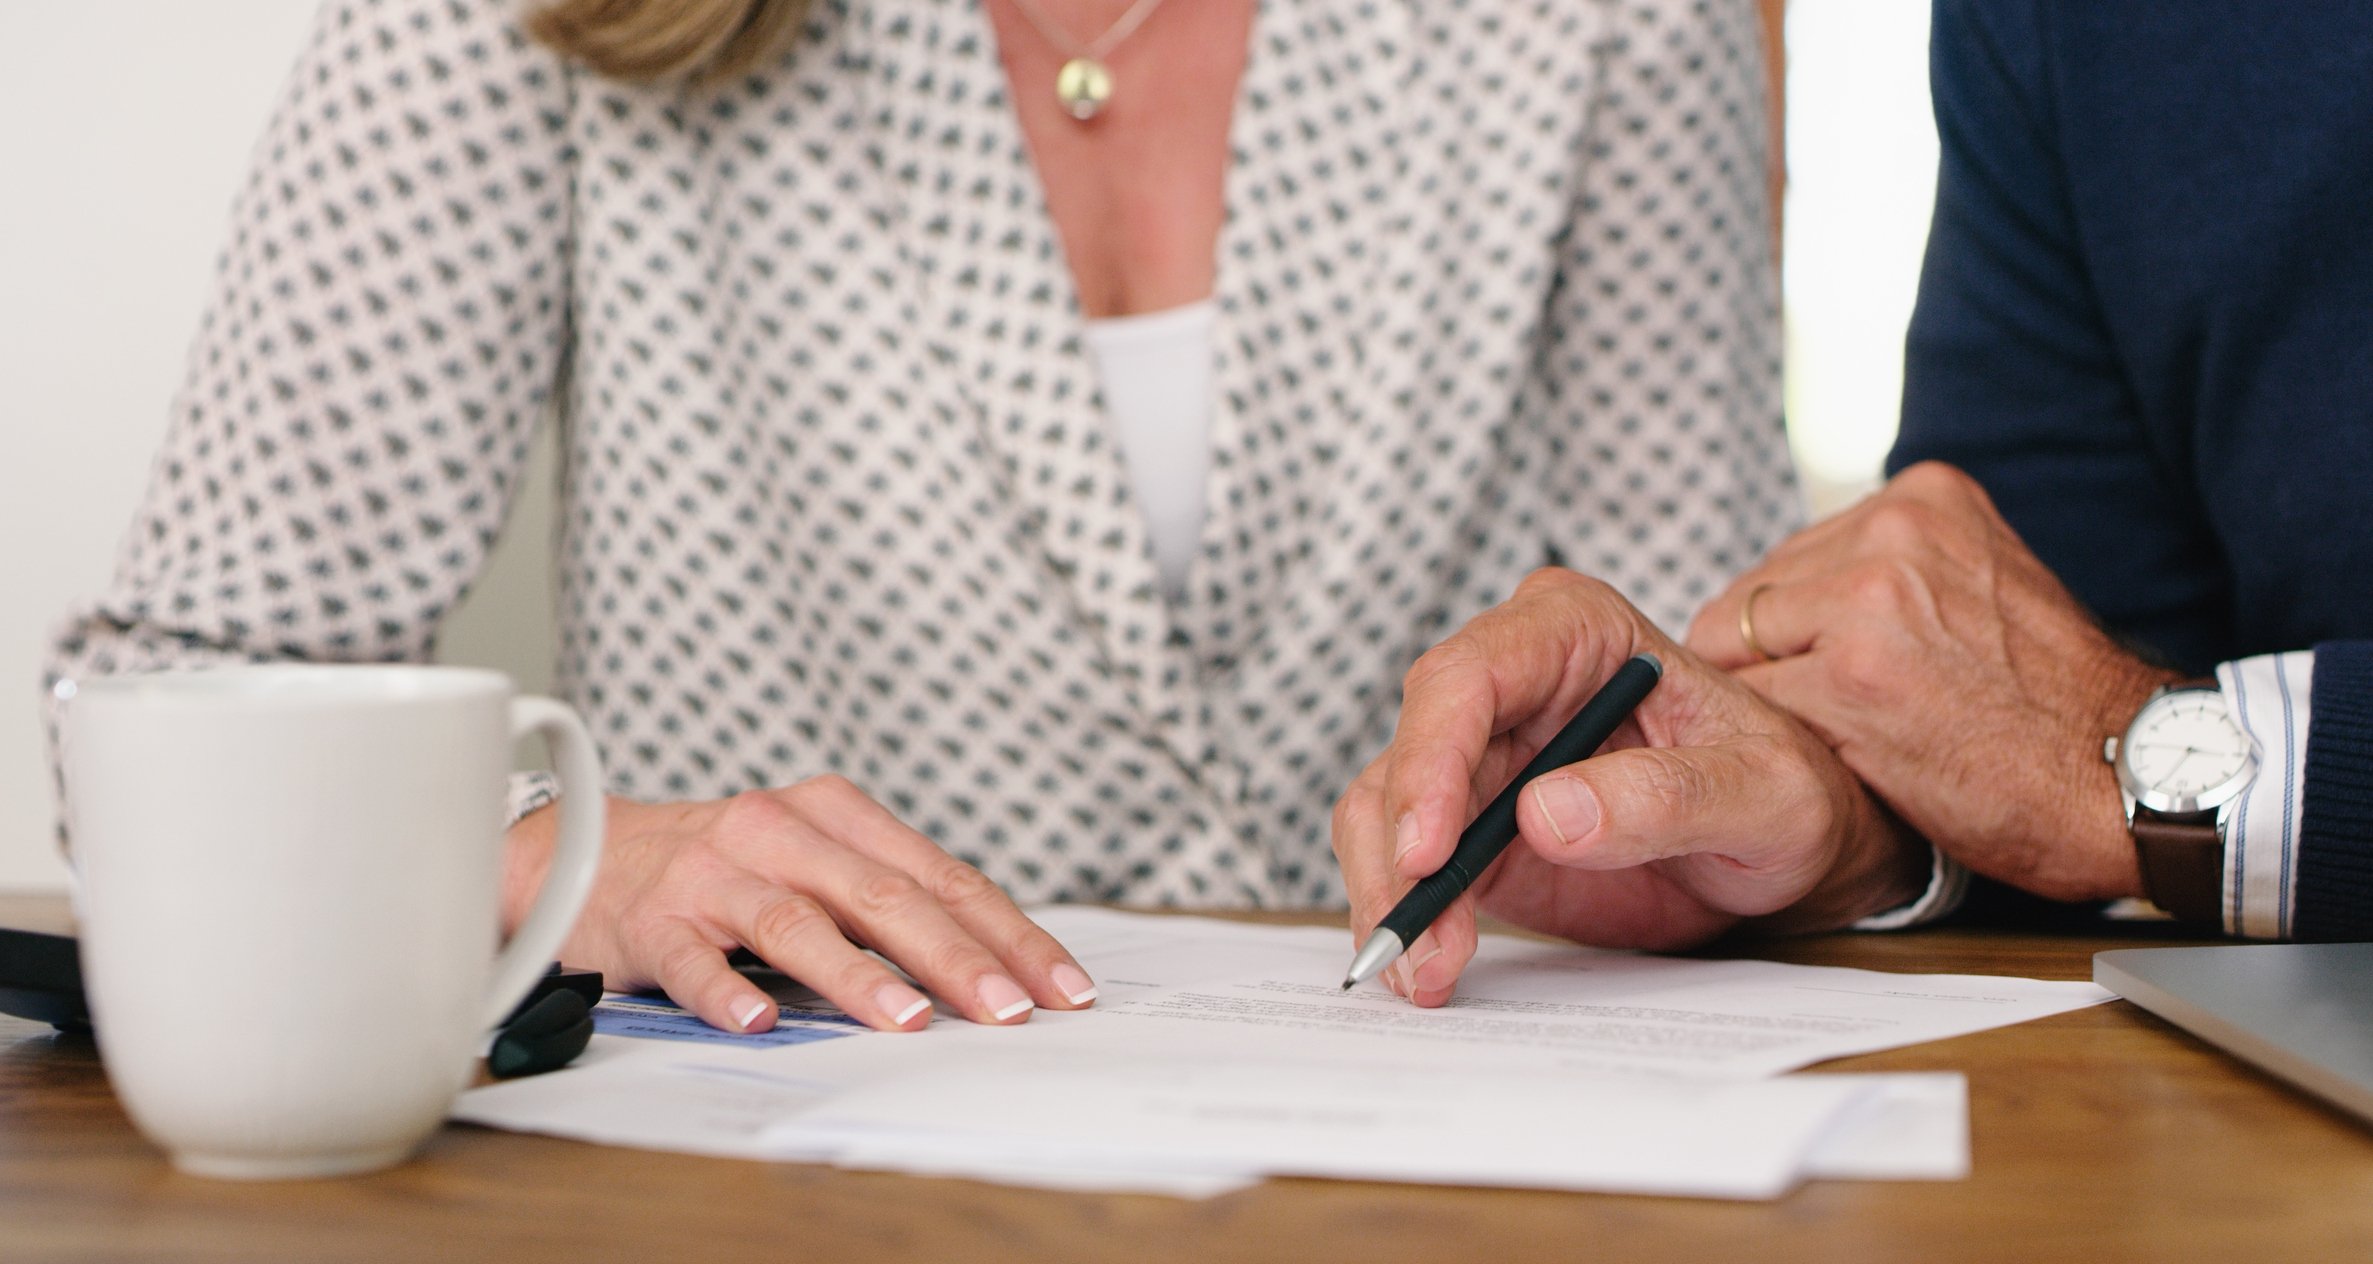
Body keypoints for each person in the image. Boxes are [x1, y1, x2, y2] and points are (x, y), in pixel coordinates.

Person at [44, 0, 1797, 1032]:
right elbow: (165, 701)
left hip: (1432, 1152)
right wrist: (554, 859)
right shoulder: (510, 26)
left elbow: (1709, 723)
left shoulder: (1606, 24)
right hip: (766, 1165)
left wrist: (1667, 801)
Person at [1338, 0, 2373, 1003]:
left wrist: (2165, 770)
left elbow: (2078, 746)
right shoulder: (2062, 27)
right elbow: (2023, 693)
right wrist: (1850, 844)